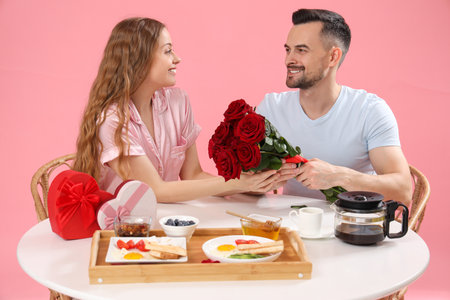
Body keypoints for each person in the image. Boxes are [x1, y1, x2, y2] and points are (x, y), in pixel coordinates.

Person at [73, 17, 279, 203]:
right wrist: (234, 183)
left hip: (168, 219)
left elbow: (193, 175)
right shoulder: (112, 120)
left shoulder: (178, 102)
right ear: (140, 59)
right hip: (123, 227)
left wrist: (252, 184)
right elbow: (155, 190)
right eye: (168, 51)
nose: (177, 59)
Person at [257, 9, 412, 205]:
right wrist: (264, 177)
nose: (289, 59)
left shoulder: (370, 110)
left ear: (333, 57)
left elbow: (403, 190)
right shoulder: (271, 108)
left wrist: (339, 176)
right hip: (288, 226)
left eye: (302, 50)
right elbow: (247, 186)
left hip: (351, 227)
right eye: (288, 49)